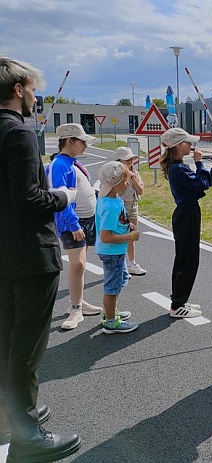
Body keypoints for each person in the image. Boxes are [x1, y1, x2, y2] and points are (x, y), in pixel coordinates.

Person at [0, 55, 81, 462]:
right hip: (31, 255)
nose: (34, 96)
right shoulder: (19, 133)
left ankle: (10, 414)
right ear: (18, 90)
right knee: (28, 348)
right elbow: (29, 199)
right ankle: (28, 435)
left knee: (6, 340)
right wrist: (64, 197)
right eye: (31, 89)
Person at [160, 127, 212, 318]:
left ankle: (180, 300)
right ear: (179, 145)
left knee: (185, 258)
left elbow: (205, 181)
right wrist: (199, 163)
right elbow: (201, 183)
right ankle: (177, 305)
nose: (191, 146)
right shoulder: (178, 169)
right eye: (188, 143)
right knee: (187, 260)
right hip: (186, 215)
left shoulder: (178, 167)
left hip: (188, 213)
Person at [46, 122, 103, 330]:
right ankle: (76, 307)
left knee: (81, 264)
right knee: (77, 264)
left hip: (85, 220)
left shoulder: (73, 162)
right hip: (74, 222)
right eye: (82, 142)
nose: (85, 146)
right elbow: (60, 197)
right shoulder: (59, 165)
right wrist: (73, 224)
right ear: (69, 141)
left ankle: (78, 302)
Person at [95, 161, 139, 334]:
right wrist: (130, 237)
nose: (127, 183)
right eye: (125, 180)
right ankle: (111, 322)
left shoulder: (113, 199)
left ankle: (111, 312)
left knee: (119, 282)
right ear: (115, 183)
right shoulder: (110, 206)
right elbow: (106, 237)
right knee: (112, 287)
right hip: (112, 252)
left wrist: (129, 226)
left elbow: (119, 221)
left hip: (116, 251)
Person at [115, 146, 146, 276]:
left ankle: (132, 263)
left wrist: (133, 178)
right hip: (119, 207)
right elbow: (117, 191)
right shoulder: (115, 174)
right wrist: (126, 179)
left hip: (132, 206)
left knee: (131, 236)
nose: (130, 162)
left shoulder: (135, 173)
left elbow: (141, 191)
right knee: (120, 235)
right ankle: (119, 265)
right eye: (127, 160)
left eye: (131, 160)